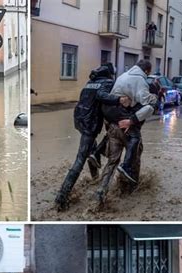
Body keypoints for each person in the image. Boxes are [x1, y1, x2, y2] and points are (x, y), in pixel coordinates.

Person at [55, 63, 131, 211]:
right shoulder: (107, 83)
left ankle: (94, 178)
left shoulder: (90, 82)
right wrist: (119, 100)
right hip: (90, 124)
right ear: (110, 74)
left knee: (92, 149)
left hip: (80, 120)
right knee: (80, 158)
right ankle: (62, 196)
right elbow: (102, 96)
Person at [99, 59, 157, 188]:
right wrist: (154, 99)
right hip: (127, 126)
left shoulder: (122, 76)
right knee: (134, 157)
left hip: (113, 124)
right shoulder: (141, 82)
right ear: (146, 71)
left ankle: (101, 192)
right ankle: (130, 189)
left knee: (112, 162)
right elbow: (147, 104)